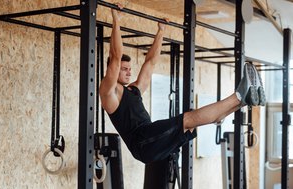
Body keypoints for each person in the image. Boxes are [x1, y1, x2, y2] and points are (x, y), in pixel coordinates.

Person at [99, 6, 265, 164]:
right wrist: (116, 20)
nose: (129, 72)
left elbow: (150, 62)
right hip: (142, 141)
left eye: (129, 69)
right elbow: (115, 56)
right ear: (113, 70)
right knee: (187, 119)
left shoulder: (134, 90)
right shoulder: (109, 92)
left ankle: (241, 102)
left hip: (150, 137)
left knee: (191, 125)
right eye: (124, 69)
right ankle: (238, 96)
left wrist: (161, 31)